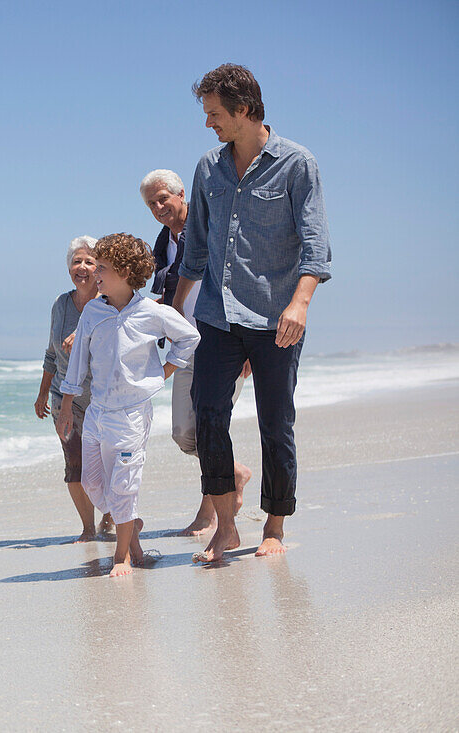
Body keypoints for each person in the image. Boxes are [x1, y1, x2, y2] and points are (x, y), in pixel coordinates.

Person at [173, 64, 331, 561]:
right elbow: (195, 250)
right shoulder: (208, 168)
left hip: (275, 320)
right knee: (209, 417)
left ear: (244, 110)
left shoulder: (297, 163)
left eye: (215, 114)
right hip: (218, 318)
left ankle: (275, 528)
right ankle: (226, 526)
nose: (208, 124)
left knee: (275, 422)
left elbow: (315, 245)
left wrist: (300, 303)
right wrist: (173, 313)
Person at [58, 233, 200, 577]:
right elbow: (77, 360)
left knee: (123, 485)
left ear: (124, 272)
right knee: (93, 484)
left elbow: (190, 337)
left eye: (102, 268)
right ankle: (130, 526)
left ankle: (122, 556)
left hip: (132, 415)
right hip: (96, 413)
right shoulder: (92, 311)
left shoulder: (152, 312)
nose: (96, 274)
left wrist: (162, 373)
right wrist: (66, 404)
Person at [140, 169, 252, 535]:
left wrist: (247, 344)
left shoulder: (209, 230)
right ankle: (233, 474)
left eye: (163, 199)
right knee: (185, 433)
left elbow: (238, 281)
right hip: (184, 345)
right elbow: (173, 296)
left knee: (210, 427)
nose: (159, 207)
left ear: (181, 195)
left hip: (222, 340)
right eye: (151, 203)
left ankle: (210, 513)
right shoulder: (164, 244)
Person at [34, 236, 113, 541]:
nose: (82, 267)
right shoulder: (60, 304)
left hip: (101, 397)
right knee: (74, 460)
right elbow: (52, 352)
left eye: (89, 261)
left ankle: (111, 515)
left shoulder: (109, 303)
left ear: (99, 268)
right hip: (62, 398)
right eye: (76, 261)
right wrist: (42, 392)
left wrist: (81, 334)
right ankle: (88, 527)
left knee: (106, 462)